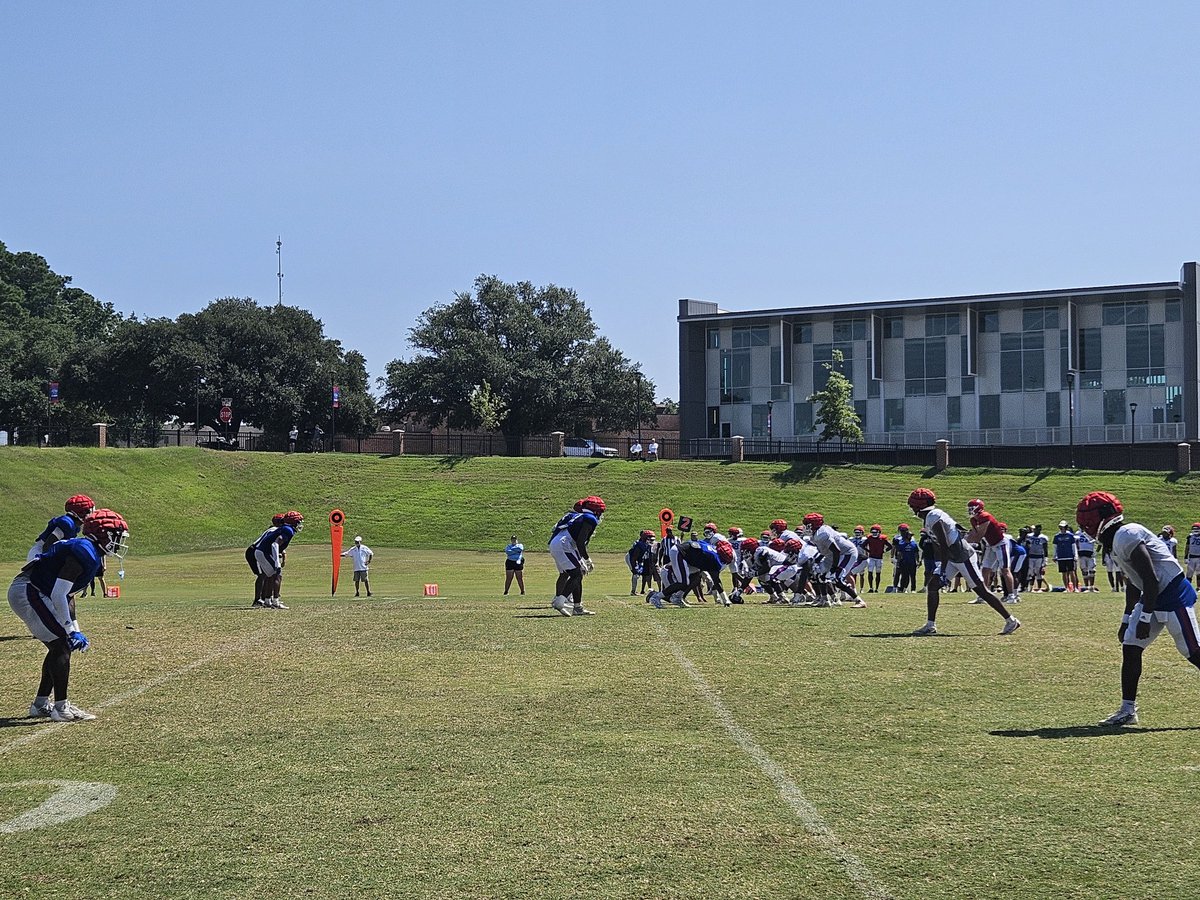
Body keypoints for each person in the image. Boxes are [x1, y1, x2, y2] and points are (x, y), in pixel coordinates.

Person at [1076, 491, 1200, 726]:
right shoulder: (1115, 539)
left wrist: (1143, 618)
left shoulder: (1126, 534)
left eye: (1088, 518)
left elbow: (1150, 579)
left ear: (1103, 516)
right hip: (1153, 596)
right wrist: (1126, 619)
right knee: (1131, 647)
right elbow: (1135, 582)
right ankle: (1127, 710)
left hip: (1173, 595)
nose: (1085, 525)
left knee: (1193, 652)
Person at [8, 508, 129, 722]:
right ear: (104, 535)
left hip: (37, 590)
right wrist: (69, 630)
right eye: (116, 537)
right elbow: (58, 593)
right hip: (29, 590)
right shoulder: (85, 551)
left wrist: (75, 629)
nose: (119, 542)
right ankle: (60, 708)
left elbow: (68, 596)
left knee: (60, 645)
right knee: (61, 644)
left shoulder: (90, 551)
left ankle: (41, 704)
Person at [906, 488, 1021, 636]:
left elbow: (944, 542)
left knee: (982, 591)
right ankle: (930, 625)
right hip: (953, 557)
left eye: (913, 505)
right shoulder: (930, 516)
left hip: (962, 556)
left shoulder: (933, 516)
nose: (911, 508)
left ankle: (1011, 620)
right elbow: (939, 544)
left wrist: (942, 569)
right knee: (933, 586)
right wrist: (941, 565)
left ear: (918, 505)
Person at [549, 495, 605, 617]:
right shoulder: (589, 519)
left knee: (578, 574)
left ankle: (577, 607)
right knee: (577, 573)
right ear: (596, 510)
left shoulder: (577, 515)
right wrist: (587, 559)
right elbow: (580, 542)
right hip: (564, 544)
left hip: (559, 542)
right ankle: (560, 601)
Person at [803, 512, 866, 608]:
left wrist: (834, 567)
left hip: (846, 553)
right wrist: (817, 560)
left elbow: (836, 550)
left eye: (807, 525)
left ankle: (859, 601)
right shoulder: (816, 534)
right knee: (818, 573)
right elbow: (825, 550)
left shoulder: (822, 534)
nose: (805, 527)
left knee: (836, 578)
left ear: (814, 524)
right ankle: (824, 600)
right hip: (832, 554)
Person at [650, 539, 735, 608]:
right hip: (679, 552)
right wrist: (725, 600)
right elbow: (716, 581)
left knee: (695, 576)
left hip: (688, 555)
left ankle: (677, 597)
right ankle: (656, 597)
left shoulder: (712, 550)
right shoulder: (714, 560)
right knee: (683, 582)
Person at [246, 511, 303, 609]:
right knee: (277, 575)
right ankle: (275, 601)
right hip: (264, 552)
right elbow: (275, 544)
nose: (299, 523)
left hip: (262, 551)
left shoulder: (285, 528)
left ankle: (268, 600)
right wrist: (277, 562)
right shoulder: (288, 530)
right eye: (298, 521)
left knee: (269, 576)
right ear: (293, 521)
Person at [966, 499, 1018, 603]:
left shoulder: (985, 516)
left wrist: (965, 539)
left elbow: (978, 536)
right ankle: (984, 596)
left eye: (972, 508)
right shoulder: (974, 519)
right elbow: (975, 534)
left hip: (1000, 543)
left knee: (1005, 570)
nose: (970, 510)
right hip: (990, 545)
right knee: (985, 570)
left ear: (978, 508)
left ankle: (1012, 596)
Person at [27, 494, 95, 562]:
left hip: (46, 553)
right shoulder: (67, 524)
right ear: (80, 512)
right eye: (88, 511)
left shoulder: (75, 525)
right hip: (39, 553)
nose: (91, 514)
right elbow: (47, 546)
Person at [863, 524, 891, 593]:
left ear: (879, 532)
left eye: (875, 532)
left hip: (879, 558)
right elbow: (862, 545)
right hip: (871, 557)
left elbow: (890, 546)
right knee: (870, 572)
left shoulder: (882, 538)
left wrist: (883, 551)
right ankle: (871, 588)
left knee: (878, 573)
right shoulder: (869, 538)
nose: (874, 533)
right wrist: (869, 551)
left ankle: (877, 588)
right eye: (873, 532)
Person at [892, 524, 920, 592]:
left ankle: (905, 588)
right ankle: (895, 588)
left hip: (910, 560)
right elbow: (895, 549)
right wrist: (893, 557)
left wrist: (917, 560)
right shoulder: (898, 539)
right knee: (898, 573)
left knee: (909, 575)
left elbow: (916, 552)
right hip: (901, 559)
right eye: (902, 530)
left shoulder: (912, 542)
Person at [1053, 520, 1079, 591]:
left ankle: (1075, 588)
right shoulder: (1057, 536)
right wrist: (1054, 556)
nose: (1062, 528)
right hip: (1061, 556)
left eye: (1063, 527)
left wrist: (1075, 555)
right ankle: (1066, 588)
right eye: (1061, 527)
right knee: (1064, 573)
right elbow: (1055, 547)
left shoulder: (1070, 535)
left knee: (1072, 572)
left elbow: (1074, 546)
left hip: (1069, 556)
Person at [625, 530, 654, 596]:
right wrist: (634, 567)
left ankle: (633, 591)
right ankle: (633, 591)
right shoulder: (639, 545)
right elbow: (633, 557)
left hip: (637, 559)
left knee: (637, 573)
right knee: (636, 574)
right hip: (630, 557)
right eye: (649, 538)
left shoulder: (645, 544)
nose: (651, 541)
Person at [1026, 524, 1049, 591]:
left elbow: (1045, 549)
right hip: (1031, 556)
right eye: (1036, 529)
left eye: (1039, 530)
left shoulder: (1043, 537)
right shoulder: (1029, 536)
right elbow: (1027, 545)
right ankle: (1031, 587)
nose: (1037, 531)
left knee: (1038, 572)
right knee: (1031, 572)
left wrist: (1045, 559)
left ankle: (1039, 588)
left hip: (1039, 556)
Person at [1076, 526, 1098, 592]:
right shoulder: (1078, 533)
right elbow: (1076, 543)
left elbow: (1098, 541)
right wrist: (1077, 551)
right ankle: (1086, 587)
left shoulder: (1091, 532)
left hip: (1090, 553)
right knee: (1084, 570)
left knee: (1092, 570)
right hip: (1081, 553)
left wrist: (1096, 551)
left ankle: (1091, 587)